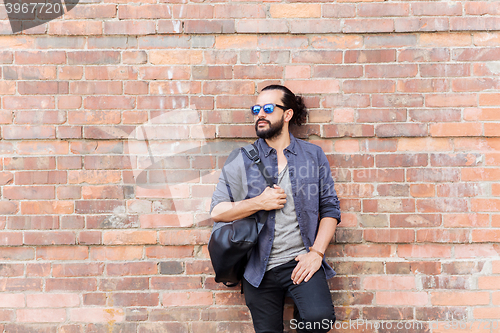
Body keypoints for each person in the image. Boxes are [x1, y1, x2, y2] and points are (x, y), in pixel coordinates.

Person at [210, 85, 341, 333]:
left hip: (300, 262)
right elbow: (217, 210)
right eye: (256, 109)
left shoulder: (312, 156)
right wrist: (259, 203)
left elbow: (330, 209)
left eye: (268, 108)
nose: (260, 114)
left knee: (319, 318)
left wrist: (317, 253)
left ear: (288, 114)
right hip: (258, 268)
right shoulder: (241, 159)